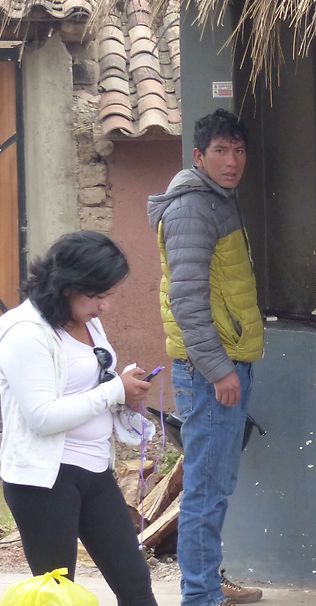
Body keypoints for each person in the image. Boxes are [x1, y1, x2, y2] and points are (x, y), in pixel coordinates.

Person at [0, 231, 158, 606]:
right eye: (98, 295)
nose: (105, 307)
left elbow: (95, 385)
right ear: (67, 285)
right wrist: (114, 392)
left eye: (110, 295)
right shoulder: (25, 333)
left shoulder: (86, 320)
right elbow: (42, 417)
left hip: (93, 469)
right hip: (44, 480)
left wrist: (124, 398)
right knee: (58, 594)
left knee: (135, 583)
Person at [148, 108, 264, 606]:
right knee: (205, 489)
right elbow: (187, 297)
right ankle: (199, 596)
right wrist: (219, 369)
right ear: (199, 156)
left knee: (215, 484)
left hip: (224, 362)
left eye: (238, 150)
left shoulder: (217, 201)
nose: (232, 160)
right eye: (220, 150)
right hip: (209, 369)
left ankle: (208, 582)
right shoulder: (193, 209)